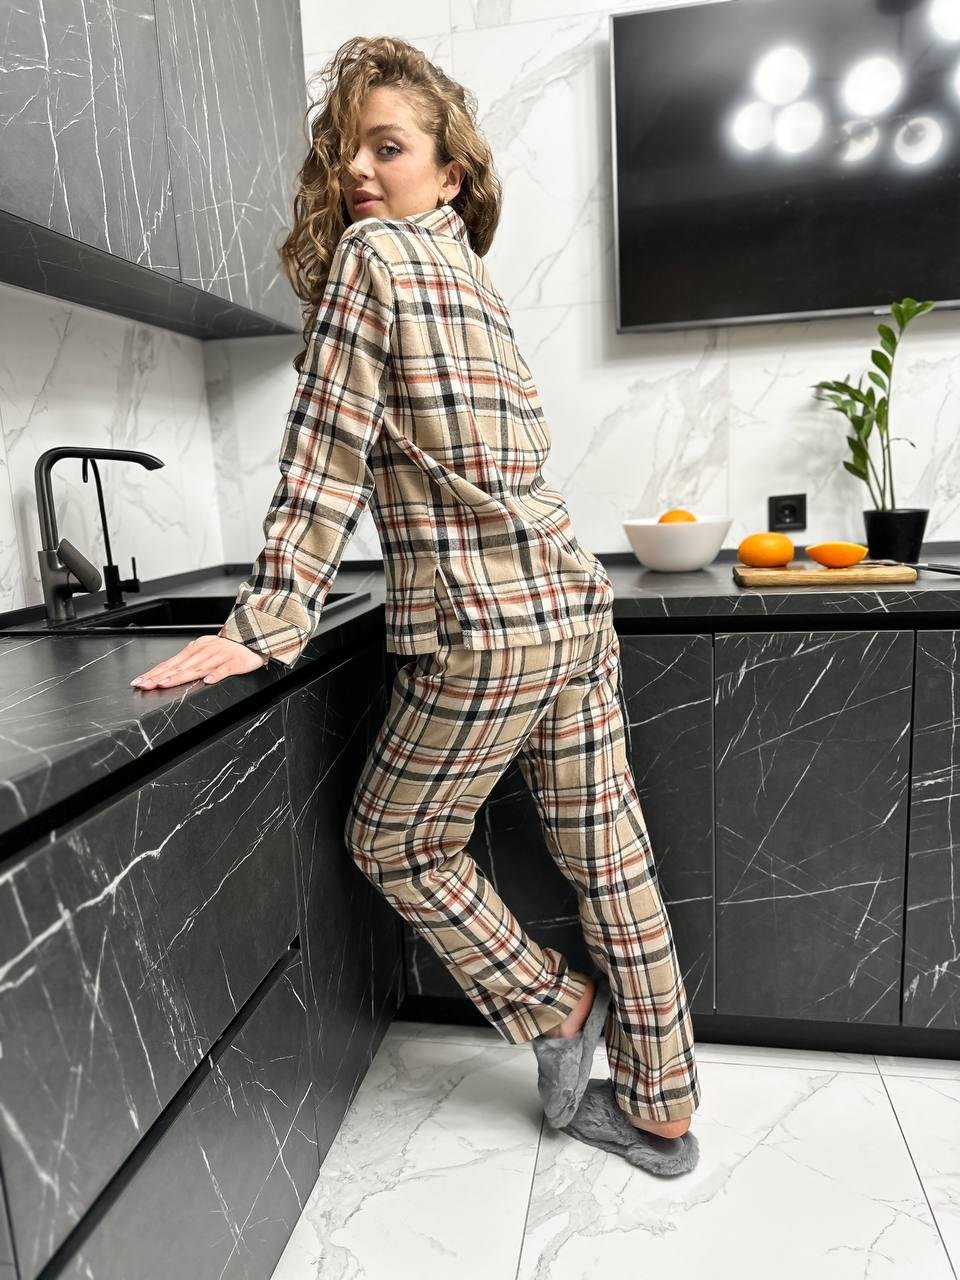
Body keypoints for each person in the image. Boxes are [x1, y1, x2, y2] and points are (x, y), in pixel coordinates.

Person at [129, 36, 700, 1162]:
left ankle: (553, 1005)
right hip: (572, 608)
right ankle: (663, 1103)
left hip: (484, 627)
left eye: (386, 147)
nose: (358, 169)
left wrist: (268, 618)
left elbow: (325, 450)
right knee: (611, 857)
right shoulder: (473, 281)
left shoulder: (375, 254)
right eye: (347, 151)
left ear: (448, 173)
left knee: (395, 840)